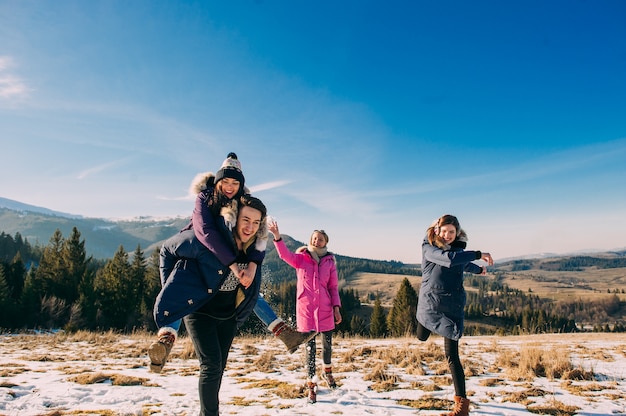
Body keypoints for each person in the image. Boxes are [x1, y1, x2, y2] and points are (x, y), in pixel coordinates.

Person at [148, 153, 314, 373]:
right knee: (182, 286)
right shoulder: (205, 197)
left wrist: (252, 265)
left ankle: (284, 332)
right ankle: (166, 337)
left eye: (235, 182)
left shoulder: (244, 201)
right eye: (225, 181)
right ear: (217, 181)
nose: (229, 186)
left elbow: (259, 232)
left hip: (228, 255)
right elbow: (205, 232)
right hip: (197, 250)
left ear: (241, 184)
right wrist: (235, 265)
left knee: (248, 288)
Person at [154, 194, 268, 416]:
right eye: (246, 220)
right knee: (211, 366)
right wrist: (171, 288)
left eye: (256, 223)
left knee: (218, 369)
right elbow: (166, 250)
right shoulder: (209, 242)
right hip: (201, 312)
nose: (250, 227)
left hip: (228, 316)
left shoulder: (253, 249)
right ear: (235, 218)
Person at [416, 214, 493, 416]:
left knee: (452, 356)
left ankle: (462, 405)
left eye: (452, 232)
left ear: (456, 233)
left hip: (451, 304)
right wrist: (478, 254)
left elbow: (460, 263)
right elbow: (449, 260)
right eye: (445, 231)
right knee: (421, 336)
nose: (448, 235)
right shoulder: (429, 248)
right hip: (430, 303)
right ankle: (425, 327)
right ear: (437, 232)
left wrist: (477, 270)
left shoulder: (458, 250)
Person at [268, 220, 342, 404]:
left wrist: (336, 308)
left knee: (327, 345)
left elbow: (333, 287)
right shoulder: (301, 258)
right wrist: (277, 237)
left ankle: (328, 373)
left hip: (326, 309)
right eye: (315, 238)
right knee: (309, 348)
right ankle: (312, 384)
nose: (317, 241)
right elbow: (285, 255)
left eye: (321, 239)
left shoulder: (329, 261)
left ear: (326, 242)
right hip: (306, 310)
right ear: (311, 240)